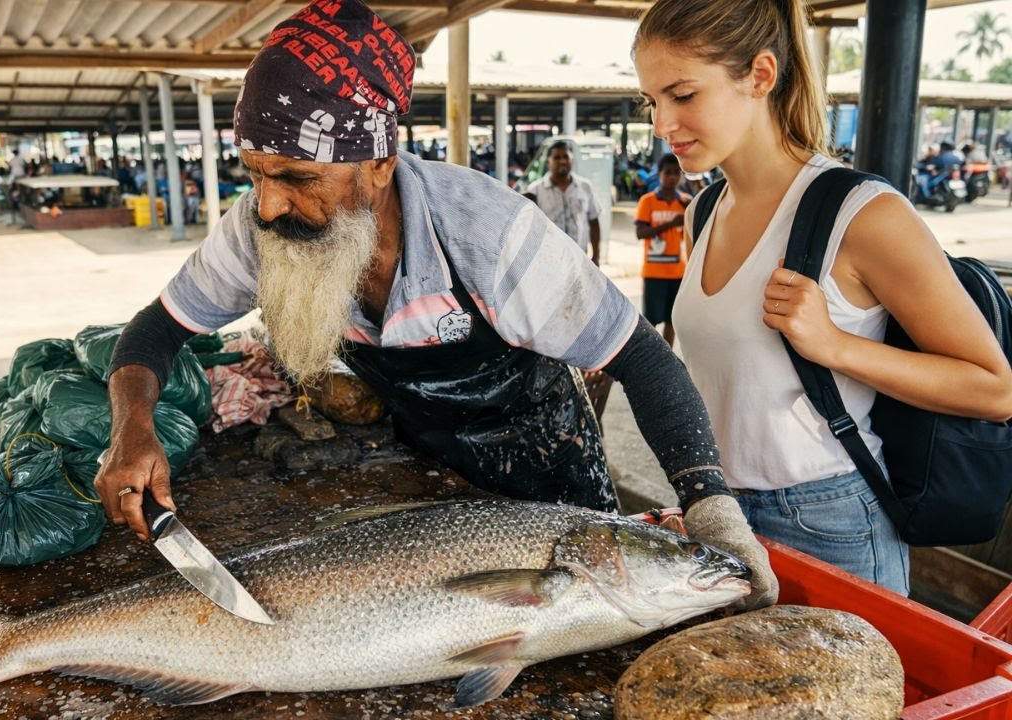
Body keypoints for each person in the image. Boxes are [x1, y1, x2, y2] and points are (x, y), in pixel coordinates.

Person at [97, 0, 777, 611]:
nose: (268, 203)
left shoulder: (489, 234)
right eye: (254, 171)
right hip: (427, 480)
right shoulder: (261, 226)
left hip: (551, 496)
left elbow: (646, 360)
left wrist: (710, 510)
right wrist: (131, 428)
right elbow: (156, 330)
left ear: (379, 163)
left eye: (296, 178)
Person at [634, 0, 1012, 594]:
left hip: (828, 518)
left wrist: (834, 345)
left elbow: (993, 389)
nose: (661, 124)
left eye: (682, 95)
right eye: (651, 101)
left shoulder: (865, 214)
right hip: (718, 512)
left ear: (760, 76)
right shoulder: (703, 211)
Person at [634, 153, 690, 346]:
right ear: (659, 174)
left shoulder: (686, 203)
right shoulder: (648, 201)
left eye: (677, 172)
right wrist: (670, 224)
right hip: (654, 270)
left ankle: (667, 356)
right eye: (668, 172)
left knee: (671, 319)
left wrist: (691, 211)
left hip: (677, 271)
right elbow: (640, 233)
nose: (672, 177)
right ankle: (650, 356)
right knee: (650, 321)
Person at [526, 140, 603, 263]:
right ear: (548, 162)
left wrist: (596, 256)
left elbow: (594, 222)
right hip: (547, 260)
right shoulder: (535, 190)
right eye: (556, 157)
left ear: (572, 160)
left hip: (579, 259)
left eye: (566, 157)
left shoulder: (585, 187)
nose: (562, 161)